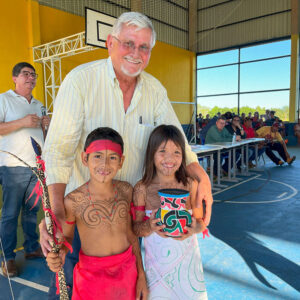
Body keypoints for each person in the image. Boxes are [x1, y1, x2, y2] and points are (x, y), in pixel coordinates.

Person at [40, 12, 213, 299]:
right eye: (128, 44)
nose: (136, 53)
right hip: (83, 217)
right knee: (67, 287)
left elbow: (178, 142)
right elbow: (58, 151)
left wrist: (201, 176)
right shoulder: (80, 82)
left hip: (131, 218)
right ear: (110, 42)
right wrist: (56, 213)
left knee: (130, 288)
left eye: (144, 47)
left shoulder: (154, 90)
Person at [46, 127, 147, 299]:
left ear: (121, 161)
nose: (105, 164)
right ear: (85, 158)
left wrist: (141, 275)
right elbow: (68, 239)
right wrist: (59, 252)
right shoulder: (73, 201)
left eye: (112, 157)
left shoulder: (126, 191)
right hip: (91, 280)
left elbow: (131, 235)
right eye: (97, 156)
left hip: (127, 273)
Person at [132, 125, 207, 299]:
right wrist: (149, 226)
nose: (169, 158)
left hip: (189, 267)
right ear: (152, 154)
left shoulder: (190, 184)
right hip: (156, 270)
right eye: (162, 151)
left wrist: (194, 229)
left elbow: (200, 222)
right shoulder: (142, 188)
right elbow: (136, 229)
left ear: (183, 156)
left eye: (176, 152)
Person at [0, 62, 50, 277]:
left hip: (36, 166)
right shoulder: (4, 99)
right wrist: (22, 121)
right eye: (26, 74)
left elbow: (44, 137)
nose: (31, 78)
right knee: (10, 215)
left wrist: (47, 126)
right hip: (13, 166)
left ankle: (31, 248)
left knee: (31, 212)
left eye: (34, 75)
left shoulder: (39, 104)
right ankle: (7, 258)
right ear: (15, 78)